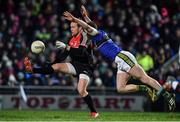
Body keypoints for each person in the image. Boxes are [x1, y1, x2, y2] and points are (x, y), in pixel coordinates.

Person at [63, 11, 176, 111]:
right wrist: (86, 17)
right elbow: (90, 25)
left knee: (144, 78)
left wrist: (74, 18)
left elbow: (88, 26)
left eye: (85, 30)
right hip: (119, 61)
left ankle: (168, 96)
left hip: (122, 57)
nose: (83, 32)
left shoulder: (95, 34)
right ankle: (145, 88)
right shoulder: (97, 34)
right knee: (120, 88)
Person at [24, 21, 99, 118]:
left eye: (73, 27)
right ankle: (32, 70)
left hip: (86, 67)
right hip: (75, 65)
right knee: (56, 67)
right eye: (70, 27)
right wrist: (52, 63)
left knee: (81, 90)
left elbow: (81, 52)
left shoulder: (84, 37)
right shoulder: (71, 39)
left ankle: (94, 112)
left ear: (80, 28)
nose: (71, 29)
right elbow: (64, 55)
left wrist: (67, 47)